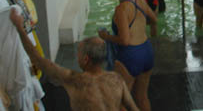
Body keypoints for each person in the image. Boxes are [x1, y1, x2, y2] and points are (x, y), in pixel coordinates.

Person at [9, 8, 139, 111]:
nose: (76, 57)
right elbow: (134, 109)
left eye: (78, 53)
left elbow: (37, 60)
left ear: (86, 59)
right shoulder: (117, 80)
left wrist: (19, 27)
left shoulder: (74, 80)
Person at [99, 0, 158, 111]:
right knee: (142, 97)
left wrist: (106, 37)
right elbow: (154, 19)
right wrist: (140, 26)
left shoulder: (121, 9)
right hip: (146, 51)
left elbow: (124, 40)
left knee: (121, 102)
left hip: (130, 56)